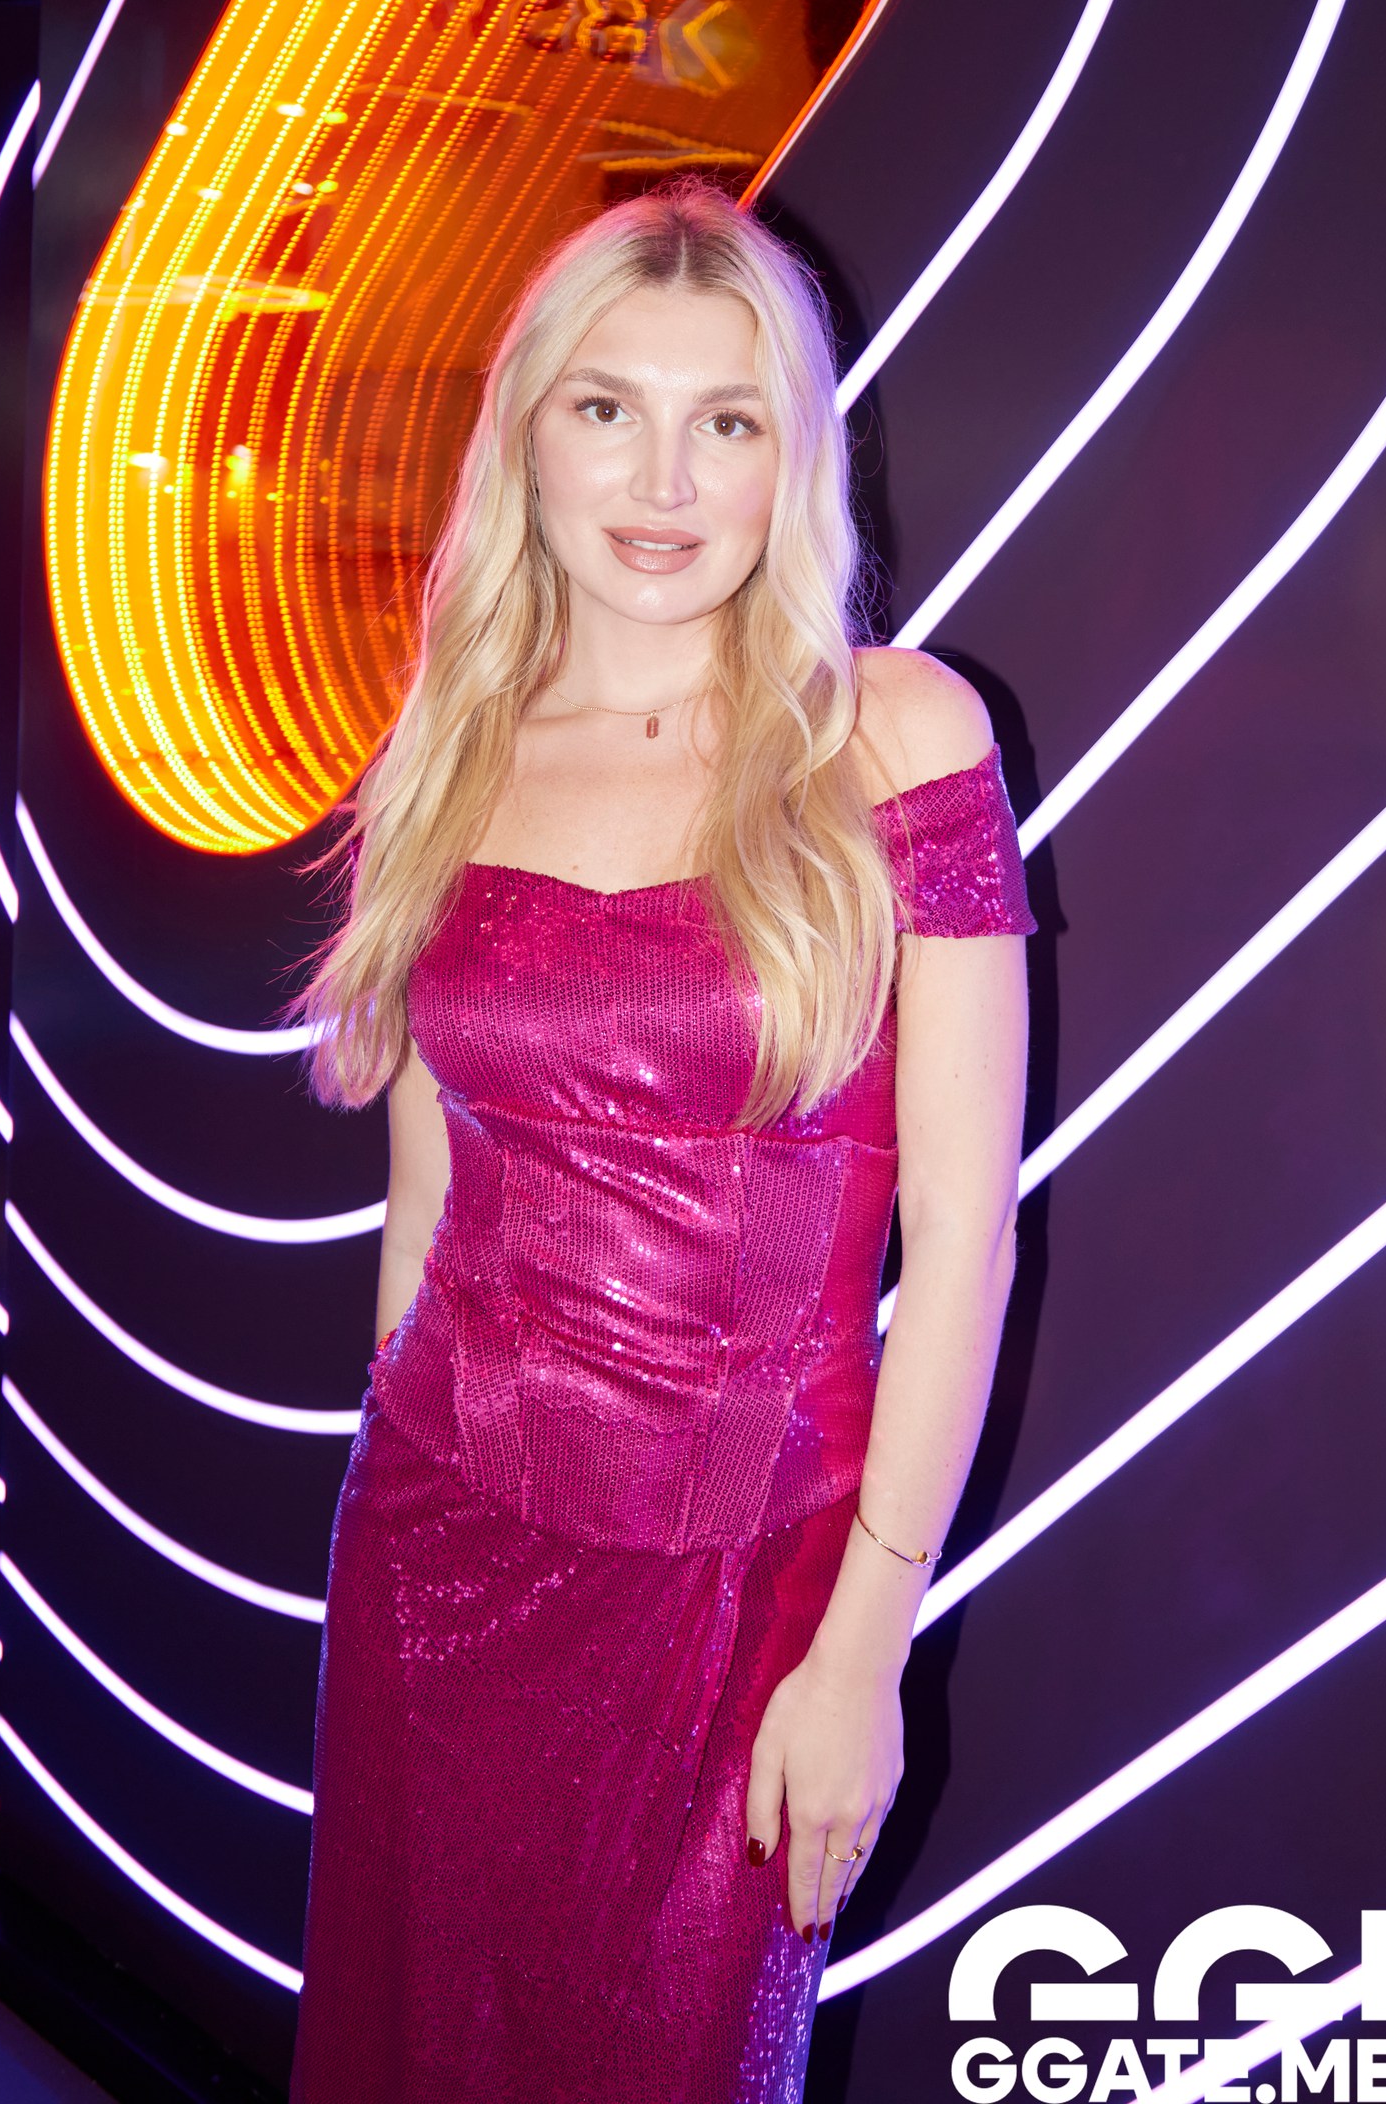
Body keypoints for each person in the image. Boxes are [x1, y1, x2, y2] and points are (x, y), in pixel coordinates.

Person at [288, 182, 1034, 2102]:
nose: (665, 480)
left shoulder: (894, 737)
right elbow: (427, 1195)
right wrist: (389, 1439)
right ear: (526, 432)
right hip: (436, 1551)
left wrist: (865, 1650)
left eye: (730, 420)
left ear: (796, 458)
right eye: (608, 408)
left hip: (745, 1598)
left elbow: (965, 1236)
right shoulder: (449, 744)